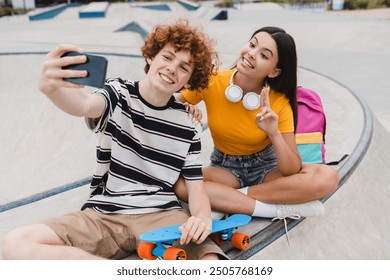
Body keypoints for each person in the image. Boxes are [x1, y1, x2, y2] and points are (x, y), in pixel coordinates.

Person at [2, 20, 228, 260]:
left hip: (162, 215)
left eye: (184, 67)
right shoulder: (118, 93)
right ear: (151, 57)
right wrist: (54, 89)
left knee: (209, 262)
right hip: (105, 213)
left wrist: (201, 217)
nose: (173, 68)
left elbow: (196, 188)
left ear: (190, 81)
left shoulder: (187, 124)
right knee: (16, 244)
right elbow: (85, 105)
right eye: (168, 57)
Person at [174, 26, 339, 222]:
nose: (251, 54)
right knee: (180, 184)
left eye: (263, 55)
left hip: (267, 169)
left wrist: (274, 133)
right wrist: (183, 110)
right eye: (252, 44)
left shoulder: (278, 102)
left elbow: (290, 169)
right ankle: (270, 209)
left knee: (328, 176)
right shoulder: (213, 81)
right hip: (225, 169)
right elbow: (165, 105)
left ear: (274, 71)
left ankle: (230, 200)